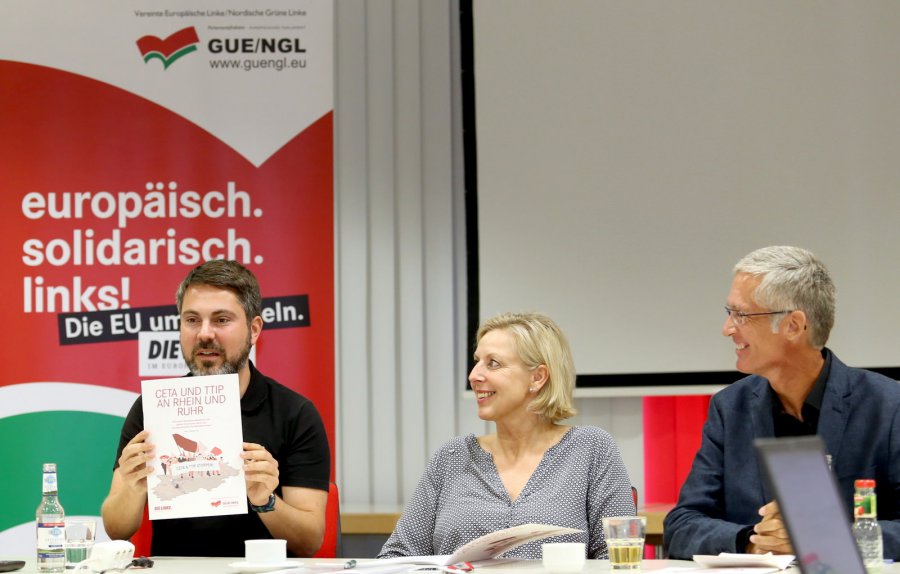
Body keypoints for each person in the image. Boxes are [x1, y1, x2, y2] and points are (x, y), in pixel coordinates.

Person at [664, 245, 900, 559]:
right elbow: (682, 525)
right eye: (729, 313)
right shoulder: (729, 408)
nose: (727, 329)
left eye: (741, 315)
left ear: (793, 325)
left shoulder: (888, 406)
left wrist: (822, 539)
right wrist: (751, 540)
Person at [101, 260, 331, 557]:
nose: (204, 334)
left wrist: (266, 500)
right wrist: (133, 488)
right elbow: (116, 529)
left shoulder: (295, 414)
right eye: (192, 320)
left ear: (254, 329)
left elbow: (310, 541)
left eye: (221, 320)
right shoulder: (154, 408)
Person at [378, 312, 635, 559]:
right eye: (477, 361)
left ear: (537, 377)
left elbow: (618, 557)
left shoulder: (591, 448)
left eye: (493, 363)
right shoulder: (452, 457)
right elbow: (397, 556)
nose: (474, 375)